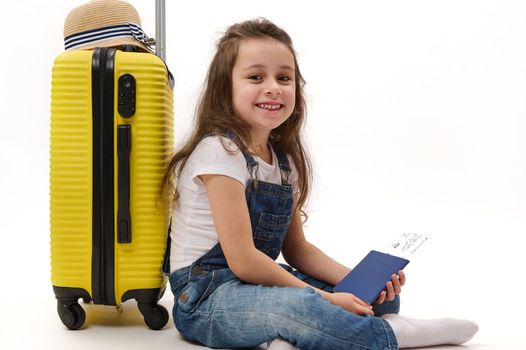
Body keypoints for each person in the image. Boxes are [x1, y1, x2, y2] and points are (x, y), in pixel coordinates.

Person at [160, 18, 479, 350]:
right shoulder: (219, 152)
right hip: (206, 296)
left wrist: (357, 281)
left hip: (254, 282)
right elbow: (242, 259)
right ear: (225, 88)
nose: (273, 87)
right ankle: (397, 336)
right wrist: (327, 298)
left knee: (380, 302)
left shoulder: (282, 162)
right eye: (256, 77)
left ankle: (285, 337)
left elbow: (298, 250)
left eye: (284, 78)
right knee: (308, 307)